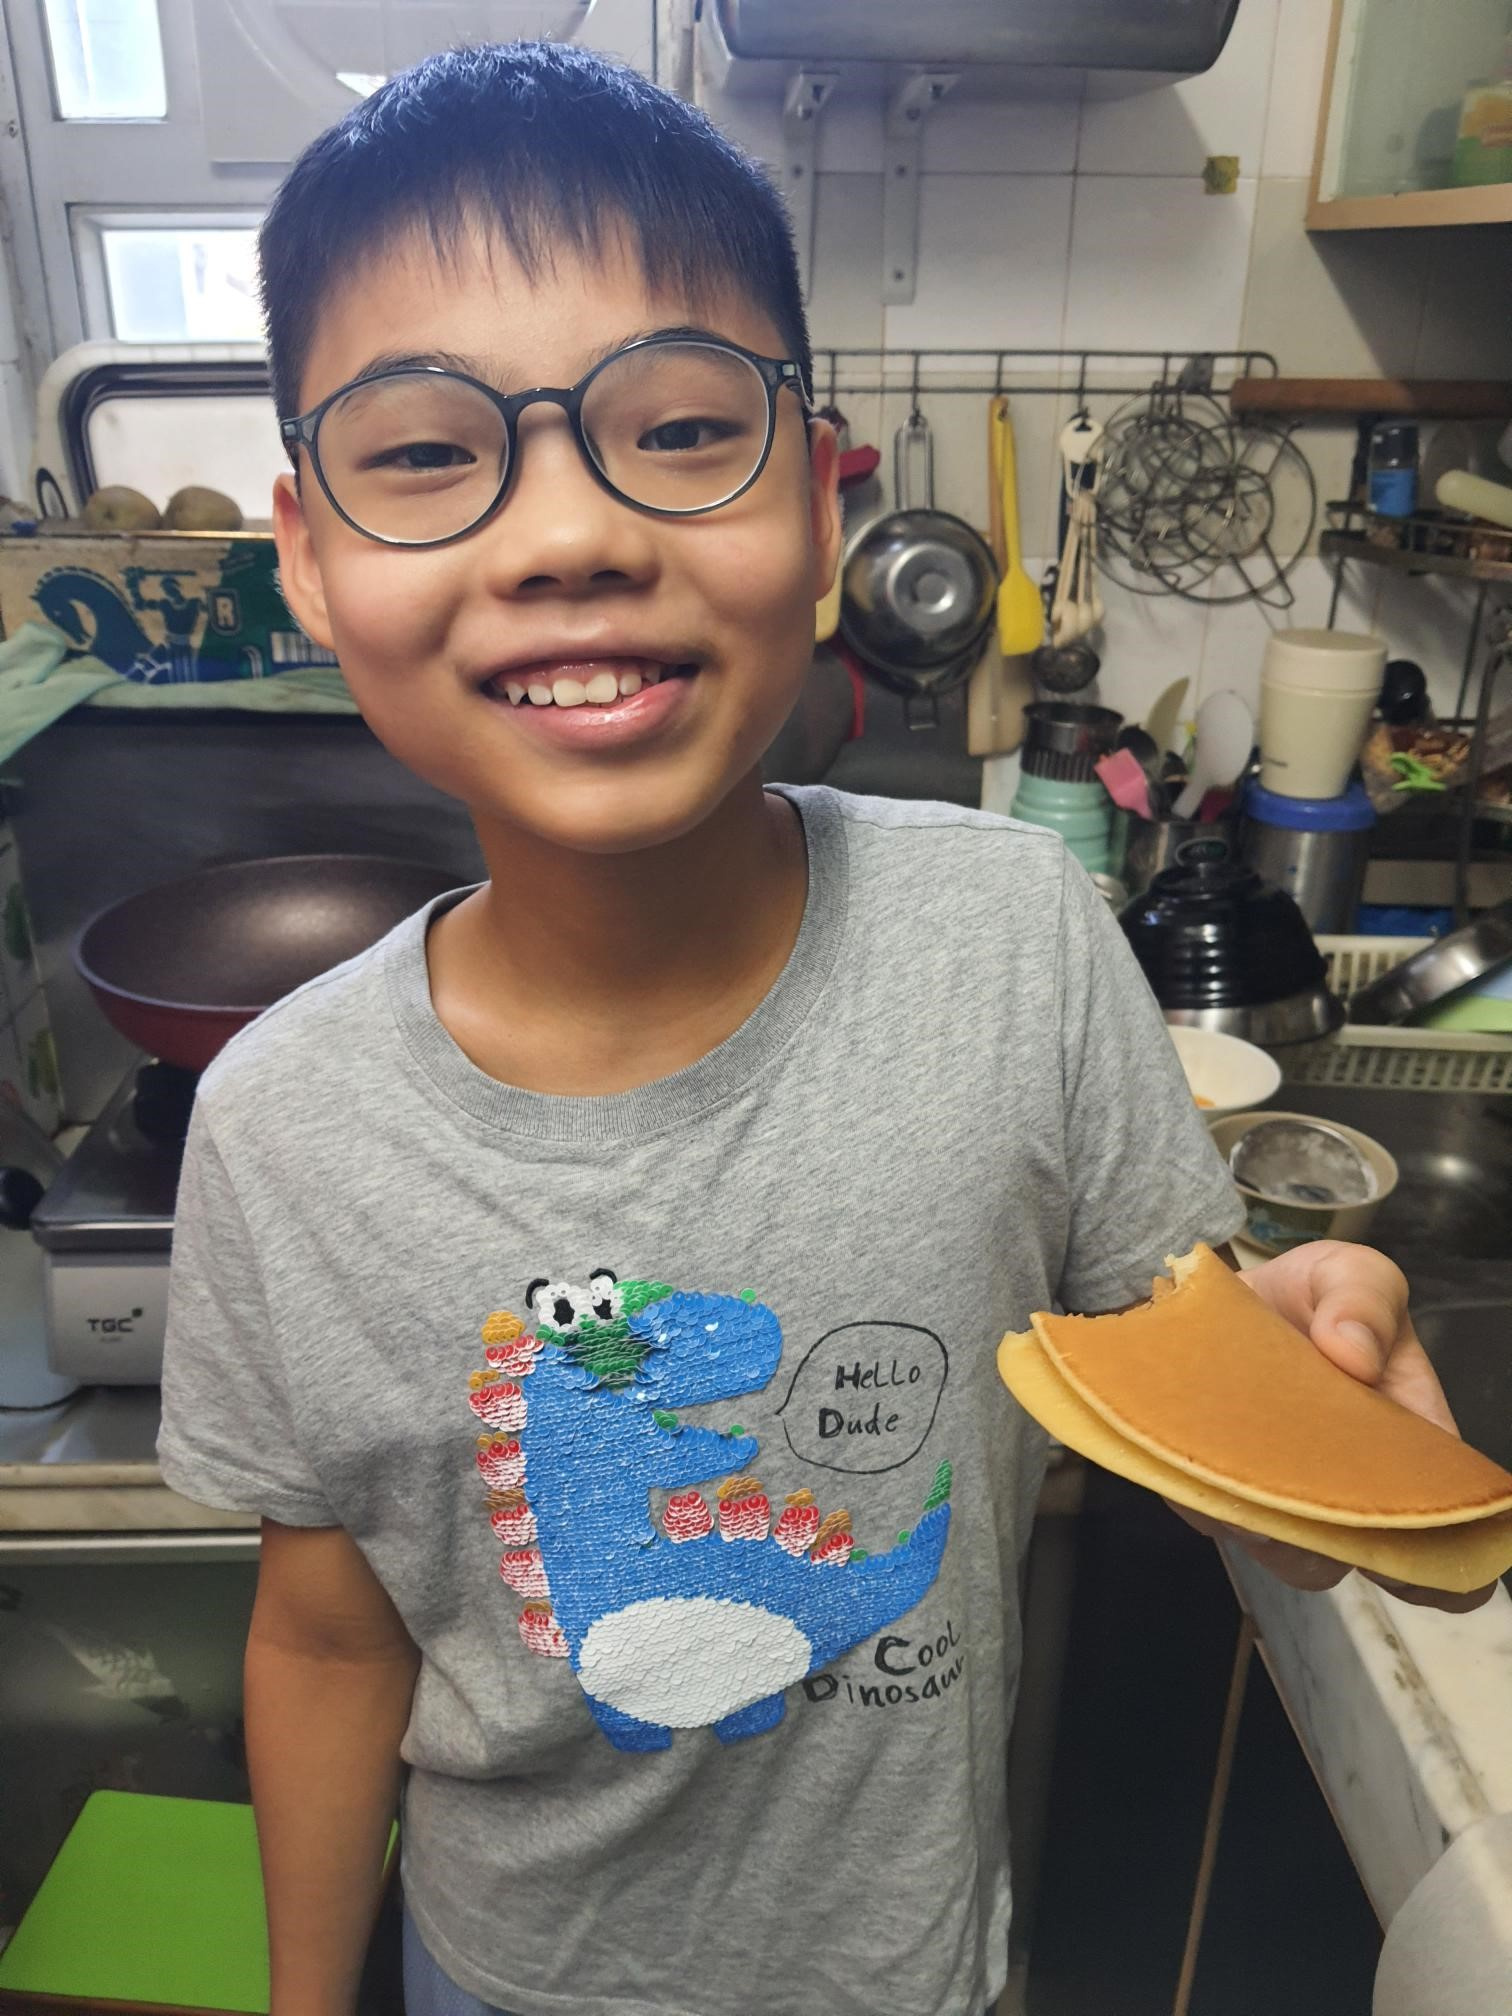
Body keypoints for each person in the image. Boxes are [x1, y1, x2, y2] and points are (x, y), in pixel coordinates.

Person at [156, 42, 1490, 2016]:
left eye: (685, 426)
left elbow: (1229, 1456)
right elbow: (331, 1639)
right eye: (428, 453)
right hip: (494, 1976)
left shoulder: (1016, 937)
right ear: (310, 556)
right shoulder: (281, 1124)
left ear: (815, 487)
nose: (568, 533)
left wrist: (1322, 1414)